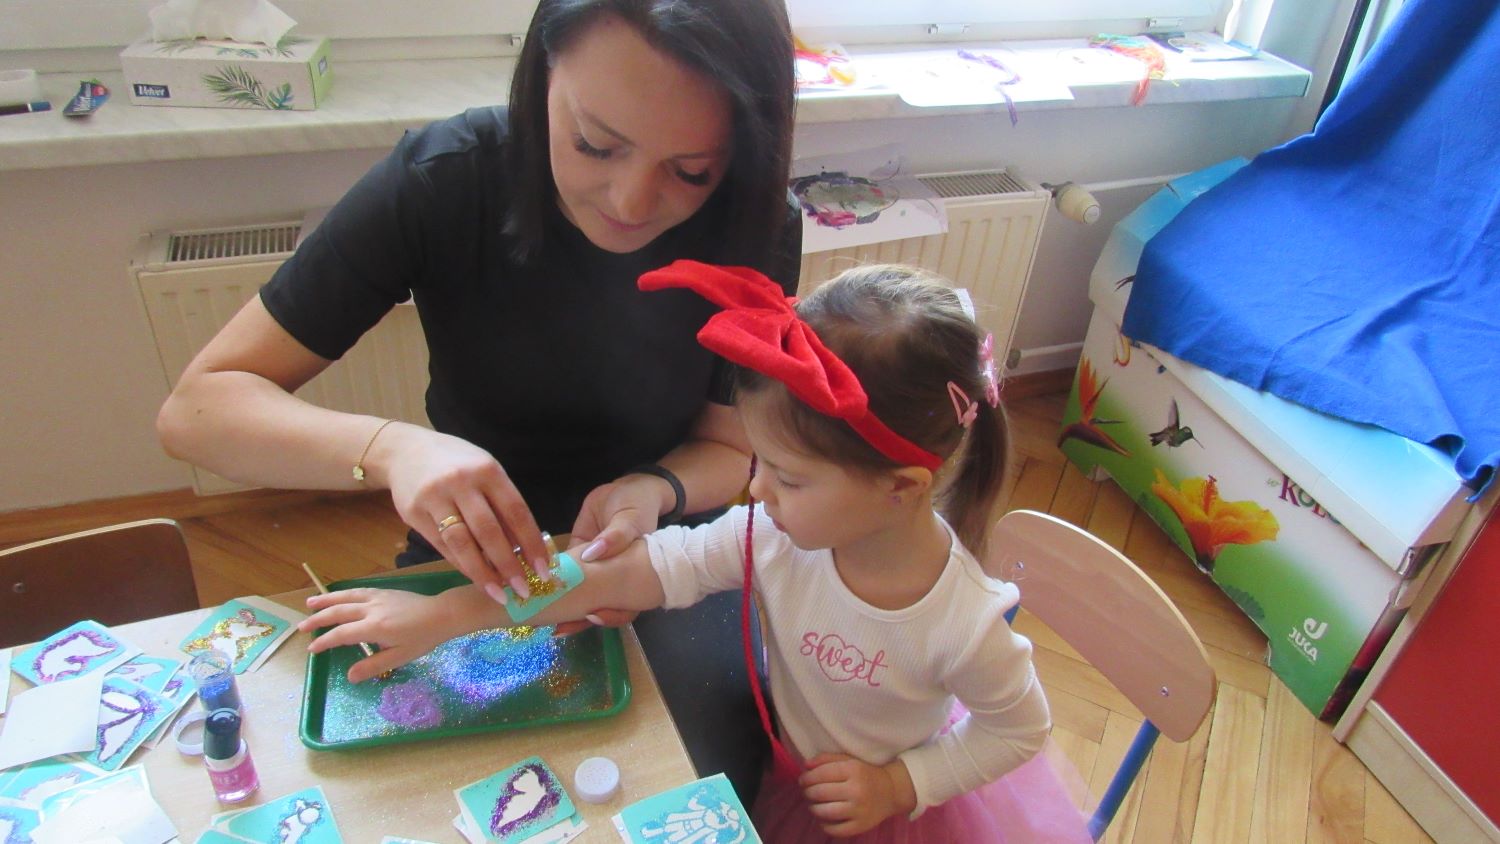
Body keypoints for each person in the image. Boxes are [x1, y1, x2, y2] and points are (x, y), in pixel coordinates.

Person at [156, 0, 799, 802]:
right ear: (541, 71)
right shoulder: (446, 179)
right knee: (425, 787)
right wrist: (395, 450)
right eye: (596, 144)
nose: (632, 202)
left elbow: (731, 446)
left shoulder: (756, 223)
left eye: (690, 171)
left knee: (705, 781)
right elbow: (197, 412)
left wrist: (655, 488)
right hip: (476, 555)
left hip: (667, 555)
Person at [301, 262, 1090, 841]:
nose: (754, 489)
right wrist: (446, 614)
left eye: (786, 476)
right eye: (760, 464)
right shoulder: (773, 535)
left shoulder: (965, 625)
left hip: (890, 814)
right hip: (792, 773)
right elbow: (629, 570)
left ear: (901, 488)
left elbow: (1018, 731)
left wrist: (902, 784)